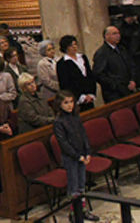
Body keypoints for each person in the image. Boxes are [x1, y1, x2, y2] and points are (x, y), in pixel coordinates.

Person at [54, 90, 100, 222]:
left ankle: (83, 210)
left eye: (71, 102)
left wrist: (87, 152)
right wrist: (77, 156)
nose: (69, 105)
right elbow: (63, 143)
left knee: (82, 184)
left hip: (82, 154)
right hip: (71, 158)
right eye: (66, 103)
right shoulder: (59, 122)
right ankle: (75, 213)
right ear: (59, 104)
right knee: (73, 186)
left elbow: (83, 135)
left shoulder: (76, 117)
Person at [92, 26, 136, 103]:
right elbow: (98, 74)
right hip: (114, 94)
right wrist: (115, 85)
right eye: (114, 33)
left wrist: (132, 79)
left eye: (118, 33)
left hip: (128, 88)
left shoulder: (122, 49)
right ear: (106, 36)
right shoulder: (102, 53)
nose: (118, 35)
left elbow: (131, 65)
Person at [56, 35, 97, 111]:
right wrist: (81, 97)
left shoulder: (82, 57)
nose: (74, 47)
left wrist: (91, 93)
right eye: (71, 45)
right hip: (76, 99)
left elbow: (90, 75)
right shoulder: (62, 63)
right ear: (65, 47)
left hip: (89, 95)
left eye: (75, 44)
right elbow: (65, 84)